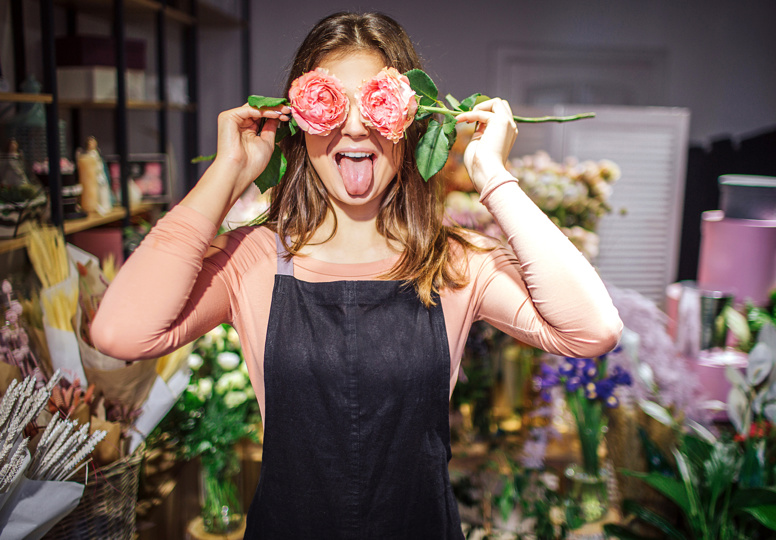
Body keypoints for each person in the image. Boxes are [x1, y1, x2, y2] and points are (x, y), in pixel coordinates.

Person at [91, 11, 622, 539]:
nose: (353, 126)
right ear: (297, 122)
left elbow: (592, 330)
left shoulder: (454, 262)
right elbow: (120, 333)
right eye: (331, 105)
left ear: (413, 121)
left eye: (375, 103)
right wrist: (227, 171)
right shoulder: (255, 259)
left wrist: (494, 176)